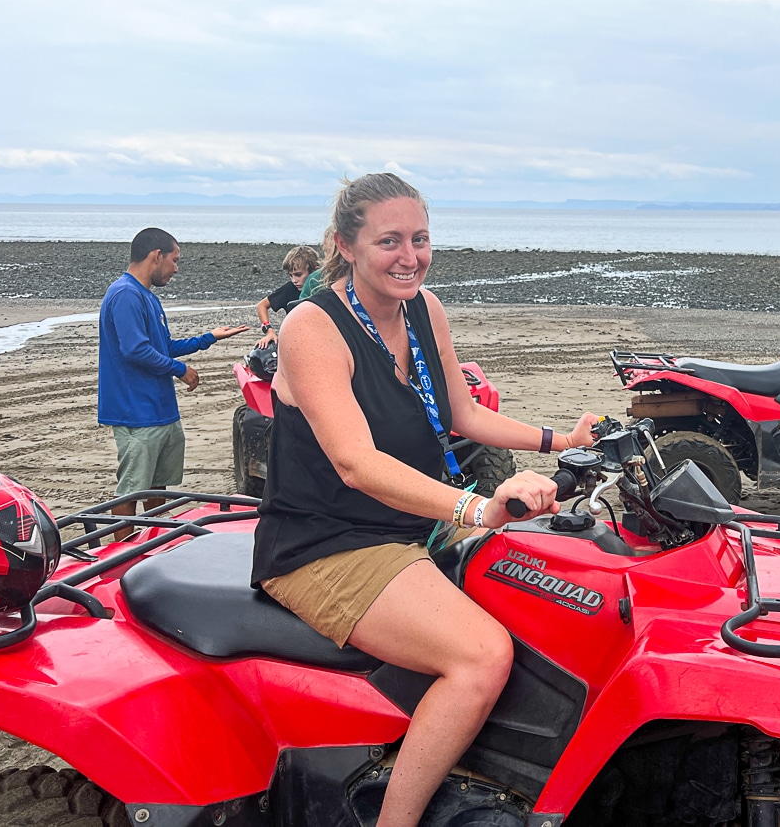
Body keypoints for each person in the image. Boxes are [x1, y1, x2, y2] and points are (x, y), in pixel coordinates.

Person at [251, 173, 597, 827]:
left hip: (411, 526)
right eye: (389, 241)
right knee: (481, 655)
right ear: (345, 245)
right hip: (327, 543)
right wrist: (477, 508)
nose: (409, 255)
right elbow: (355, 463)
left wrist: (562, 440)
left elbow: (462, 412)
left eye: (420, 238)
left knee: (558, 585)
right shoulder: (312, 327)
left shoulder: (422, 308)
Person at [98, 227, 250, 538]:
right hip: (135, 411)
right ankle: (122, 555)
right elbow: (135, 350)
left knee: (158, 486)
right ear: (156, 256)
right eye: (175, 260)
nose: (177, 268)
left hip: (160, 409)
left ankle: (151, 544)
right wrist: (179, 370)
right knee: (131, 489)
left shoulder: (148, 297)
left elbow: (161, 346)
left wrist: (208, 338)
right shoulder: (125, 294)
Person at [254, 245, 320, 348]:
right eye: (291, 275)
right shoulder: (289, 289)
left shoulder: (324, 290)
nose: (294, 280)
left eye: (298, 275)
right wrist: (269, 331)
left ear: (315, 271)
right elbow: (261, 305)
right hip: (295, 342)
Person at [295, 226, 333, 302]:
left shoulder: (358, 276)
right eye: (326, 251)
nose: (330, 256)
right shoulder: (314, 279)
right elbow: (302, 308)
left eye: (334, 251)